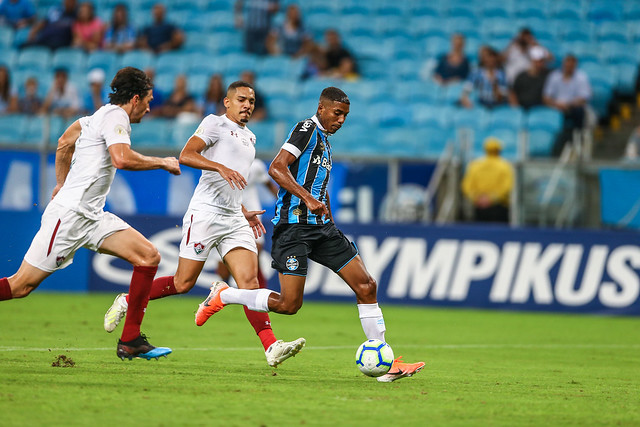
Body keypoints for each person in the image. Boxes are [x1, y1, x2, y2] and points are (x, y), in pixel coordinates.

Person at [194, 87, 425, 382]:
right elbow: (277, 168)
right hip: (293, 228)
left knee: (366, 285)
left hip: (321, 228)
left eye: (345, 116)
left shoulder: (325, 143)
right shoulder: (306, 128)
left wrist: (323, 205)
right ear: (322, 108)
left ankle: (385, 363)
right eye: (337, 113)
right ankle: (226, 295)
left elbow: (317, 184)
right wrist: (307, 199)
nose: (341, 120)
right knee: (289, 305)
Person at [103, 81, 306, 368]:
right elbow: (186, 155)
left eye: (251, 100)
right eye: (241, 99)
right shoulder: (214, 124)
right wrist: (219, 167)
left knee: (248, 283)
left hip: (234, 217)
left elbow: (234, 185)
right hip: (206, 213)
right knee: (182, 282)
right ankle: (128, 298)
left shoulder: (250, 138)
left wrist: (243, 209)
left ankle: (271, 346)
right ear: (227, 102)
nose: (247, 104)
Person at [0, 66, 181, 361]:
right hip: (70, 216)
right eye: (148, 101)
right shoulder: (115, 117)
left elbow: (64, 142)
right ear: (135, 98)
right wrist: (161, 162)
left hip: (92, 216)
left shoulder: (96, 116)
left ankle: (130, 340)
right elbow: (120, 159)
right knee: (21, 286)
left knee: (149, 256)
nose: (149, 109)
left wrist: (61, 182)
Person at [543, 54, 592, 156]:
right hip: (556, 107)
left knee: (579, 112)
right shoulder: (554, 76)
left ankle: (577, 138)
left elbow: (584, 98)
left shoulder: (581, 77)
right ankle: (553, 144)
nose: (569, 67)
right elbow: (546, 97)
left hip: (573, 108)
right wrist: (557, 104)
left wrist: (568, 104)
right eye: (567, 65)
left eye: (571, 65)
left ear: (575, 65)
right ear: (563, 64)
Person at [461, 137, 513, 223]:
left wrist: (476, 198)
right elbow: (507, 186)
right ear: (499, 150)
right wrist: (491, 198)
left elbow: (466, 186)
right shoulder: (505, 166)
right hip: (499, 208)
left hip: (479, 206)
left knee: (480, 234)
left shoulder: (475, 165)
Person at [508, 45, 550, 110]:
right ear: (532, 61)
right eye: (537, 61)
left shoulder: (548, 76)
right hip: (522, 108)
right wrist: (516, 109)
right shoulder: (521, 75)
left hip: (540, 109)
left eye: (541, 61)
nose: (539, 64)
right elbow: (513, 93)